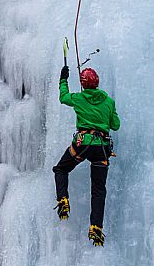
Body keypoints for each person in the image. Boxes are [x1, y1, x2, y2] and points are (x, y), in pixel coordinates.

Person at [52, 65, 120, 247]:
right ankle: (96, 228)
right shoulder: (108, 101)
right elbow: (116, 125)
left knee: (61, 169)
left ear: (83, 84)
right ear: (97, 82)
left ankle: (63, 200)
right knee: (98, 189)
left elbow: (63, 97)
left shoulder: (79, 98)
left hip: (83, 144)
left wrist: (63, 79)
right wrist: (107, 114)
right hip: (102, 148)